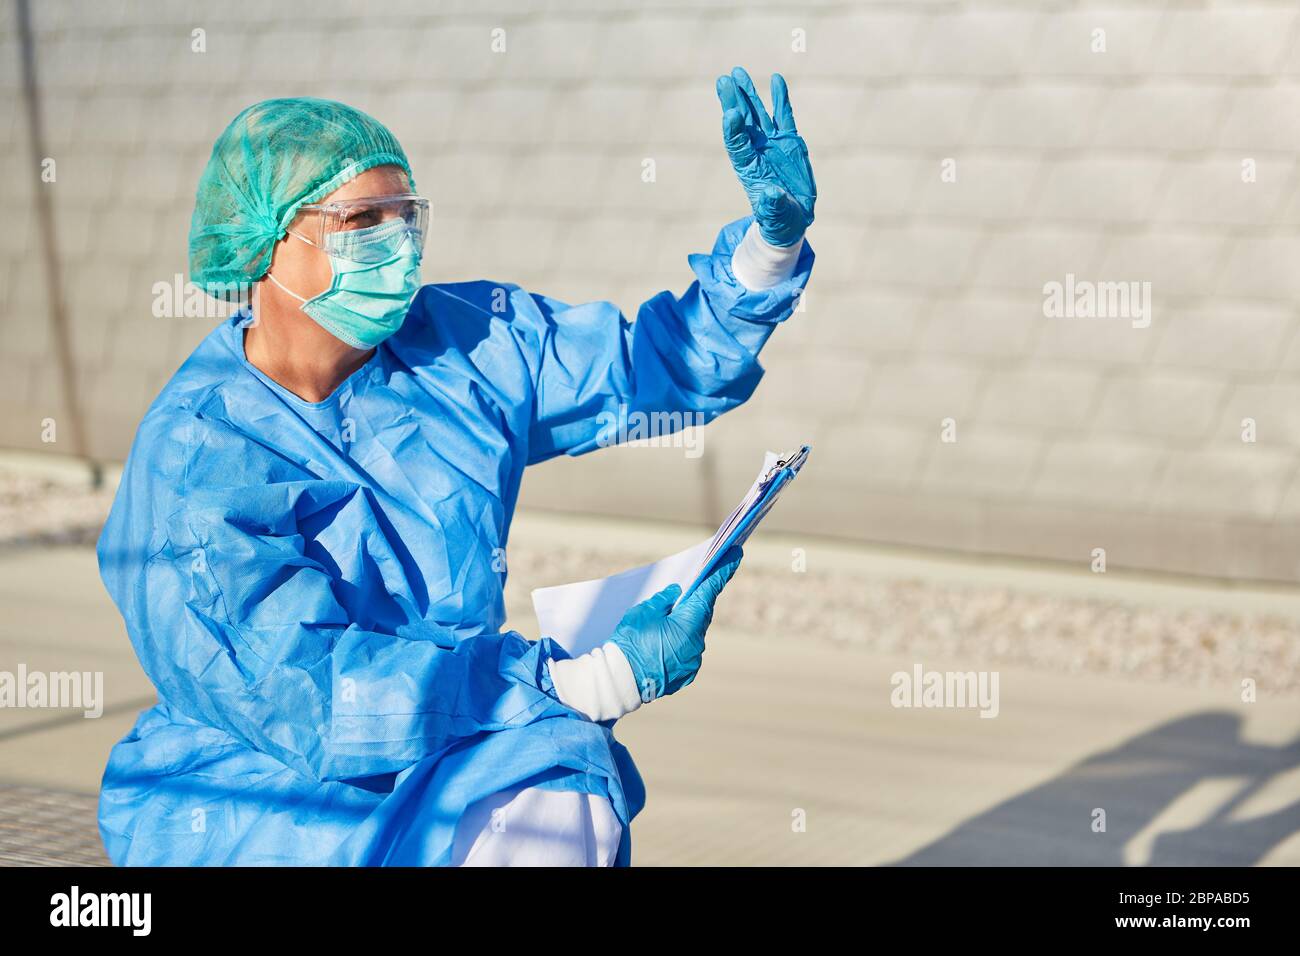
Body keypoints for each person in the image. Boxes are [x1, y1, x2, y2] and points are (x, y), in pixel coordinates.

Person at [96, 66, 816, 866]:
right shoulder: (197, 455)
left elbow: (656, 369)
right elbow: (305, 693)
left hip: (463, 730)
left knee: (563, 790)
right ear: (266, 244)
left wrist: (768, 247)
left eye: (407, 216)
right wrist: (594, 679)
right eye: (361, 220)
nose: (397, 245)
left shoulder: (465, 346)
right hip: (263, 799)